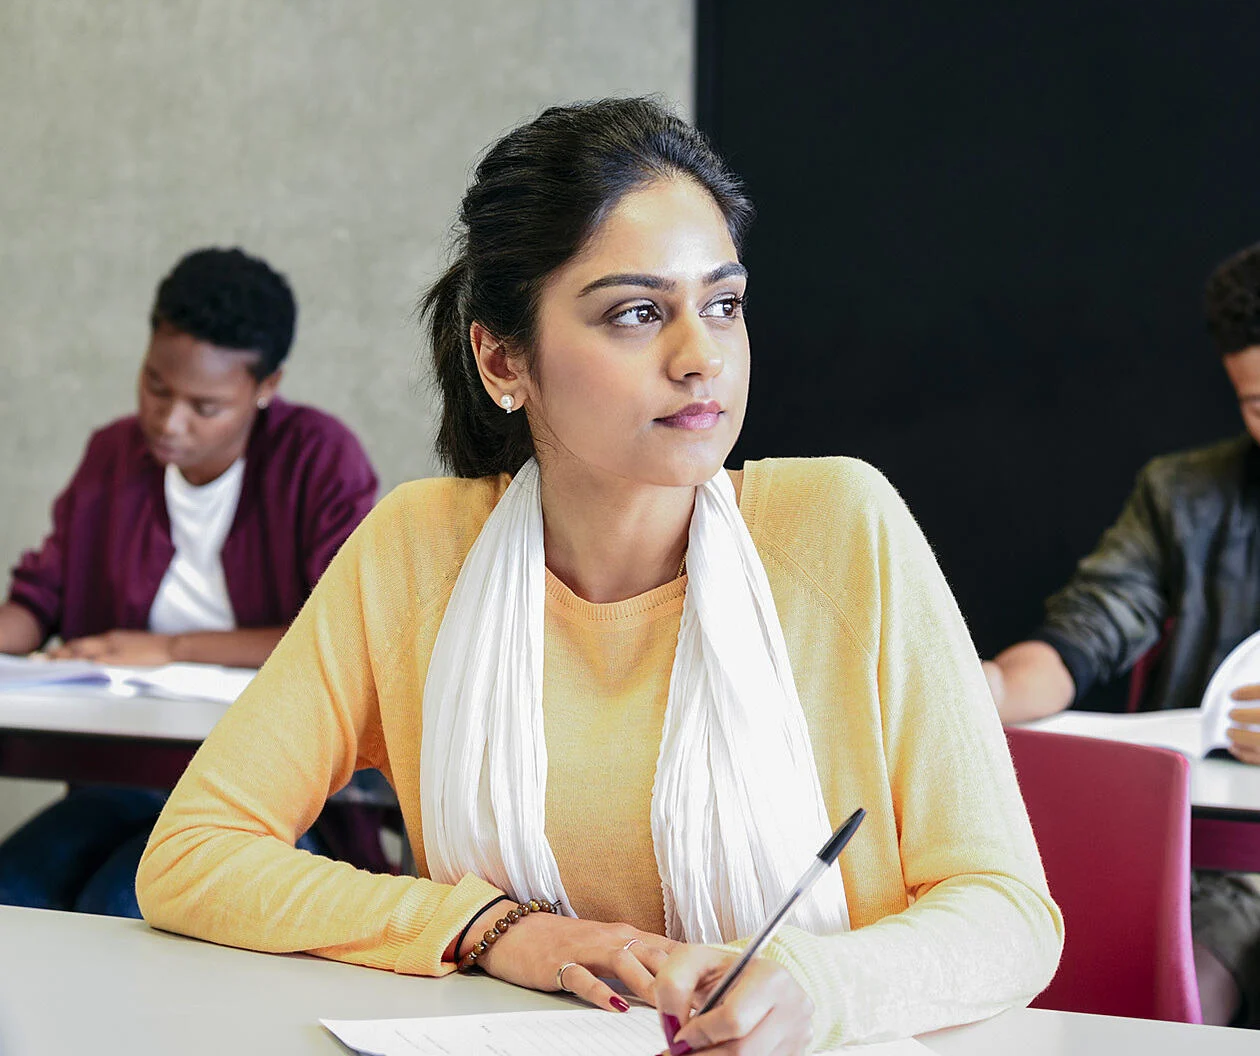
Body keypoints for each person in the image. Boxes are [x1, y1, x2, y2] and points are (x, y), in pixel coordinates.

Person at [137, 100, 1061, 1053]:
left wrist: (812, 986)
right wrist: (492, 929)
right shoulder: (416, 550)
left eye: (724, 304)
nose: (701, 357)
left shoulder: (841, 528)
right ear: (502, 356)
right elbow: (193, 854)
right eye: (637, 313)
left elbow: (1008, 915)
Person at [0, 246, 378, 917]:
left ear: (266, 387)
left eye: (205, 406)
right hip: (125, 776)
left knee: (117, 905)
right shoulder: (112, 455)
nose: (170, 422)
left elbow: (346, 636)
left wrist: (172, 648)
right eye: (155, 387)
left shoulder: (318, 459)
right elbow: (37, 600)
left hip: (268, 796)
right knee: (15, 892)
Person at [984, 242, 1260, 1028]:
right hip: (1214, 867)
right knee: (1163, 999)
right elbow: (1086, 631)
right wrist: (996, 687)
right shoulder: (1185, 496)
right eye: (1259, 404)